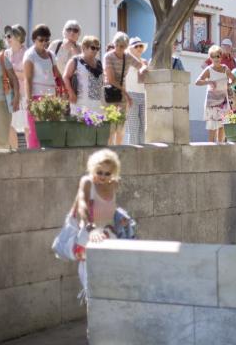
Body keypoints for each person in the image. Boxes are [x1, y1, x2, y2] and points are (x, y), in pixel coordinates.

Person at [73, 149, 121, 300]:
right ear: (93, 168)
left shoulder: (114, 184)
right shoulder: (87, 182)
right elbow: (82, 206)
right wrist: (91, 228)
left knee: (110, 280)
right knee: (90, 281)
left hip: (108, 235)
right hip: (89, 235)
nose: (103, 176)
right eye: (99, 172)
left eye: (107, 173)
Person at [103, 32, 148, 145]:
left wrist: (142, 69)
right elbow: (111, 79)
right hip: (110, 93)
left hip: (122, 94)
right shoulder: (108, 56)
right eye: (118, 46)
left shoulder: (127, 57)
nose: (120, 49)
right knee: (110, 126)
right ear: (115, 44)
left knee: (121, 126)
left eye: (123, 46)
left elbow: (141, 65)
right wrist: (126, 94)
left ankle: (119, 151)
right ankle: (110, 150)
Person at [23, 24, 62, 149]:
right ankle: (33, 160)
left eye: (47, 40)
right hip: (36, 97)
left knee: (51, 131)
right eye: (41, 40)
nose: (44, 42)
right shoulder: (30, 55)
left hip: (51, 98)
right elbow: (27, 79)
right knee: (35, 132)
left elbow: (57, 74)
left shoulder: (50, 54)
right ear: (34, 39)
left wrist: (64, 90)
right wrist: (29, 101)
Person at [195, 45, 236, 143]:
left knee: (222, 127)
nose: (216, 59)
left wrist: (229, 85)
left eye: (217, 56)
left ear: (221, 57)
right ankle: (211, 152)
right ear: (210, 58)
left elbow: (234, 79)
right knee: (212, 129)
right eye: (213, 56)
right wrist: (208, 82)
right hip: (212, 103)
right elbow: (197, 82)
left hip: (224, 102)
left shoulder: (225, 68)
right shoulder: (208, 69)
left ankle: (220, 151)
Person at [62, 35, 104, 117]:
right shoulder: (75, 60)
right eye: (93, 48)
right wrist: (71, 93)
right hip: (80, 103)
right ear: (84, 47)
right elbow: (65, 77)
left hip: (97, 105)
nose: (95, 50)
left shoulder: (99, 63)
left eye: (97, 48)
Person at [3, 25, 28, 149]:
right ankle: (15, 152)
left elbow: (28, 75)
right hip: (8, 95)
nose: (6, 38)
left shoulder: (27, 53)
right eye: (6, 36)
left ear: (18, 37)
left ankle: (30, 154)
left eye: (9, 36)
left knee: (27, 126)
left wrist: (11, 73)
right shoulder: (5, 53)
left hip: (24, 95)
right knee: (10, 125)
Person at [122, 37, 148, 145]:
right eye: (135, 46)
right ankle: (132, 151)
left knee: (143, 126)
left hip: (143, 95)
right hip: (130, 94)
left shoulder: (145, 62)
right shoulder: (126, 60)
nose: (138, 48)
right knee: (132, 126)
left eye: (140, 46)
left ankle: (142, 153)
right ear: (130, 48)